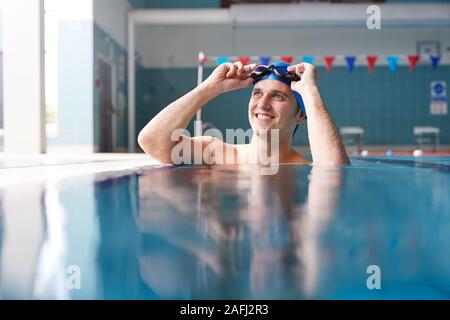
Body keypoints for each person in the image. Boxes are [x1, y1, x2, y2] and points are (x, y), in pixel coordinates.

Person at [137, 60, 349, 165]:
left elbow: (336, 174)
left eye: (278, 96)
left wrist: (310, 91)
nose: (263, 104)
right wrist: (210, 88)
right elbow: (152, 142)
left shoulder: (305, 169)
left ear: (301, 115)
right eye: (257, 93)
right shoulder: (219, 155)